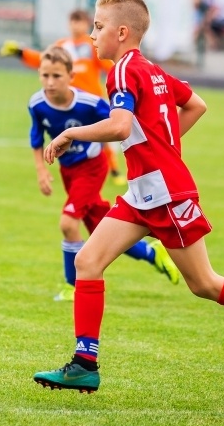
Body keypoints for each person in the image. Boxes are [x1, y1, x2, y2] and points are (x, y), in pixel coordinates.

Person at [32, 0, 224, 393]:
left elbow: (118, 127)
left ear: (121, 32)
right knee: (88, 261)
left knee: (204, 283)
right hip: (143, 192)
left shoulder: (121, 71)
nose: (92, 36)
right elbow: (196, 105)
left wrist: (70, 132)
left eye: (98, 28)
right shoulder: (151, 70)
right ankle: (85, 363)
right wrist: (159, 148)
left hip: (166, 194)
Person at [28, 45, 180, 302]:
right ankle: (153, 254)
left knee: (68, 223)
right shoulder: (37, 104)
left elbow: (119, 122)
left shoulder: (89, 104)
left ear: (71, 76)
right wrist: (41, 171)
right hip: (69, 172)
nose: (50, 82)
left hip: (92, 168)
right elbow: (36, 138)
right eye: (45, 75)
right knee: (102, 229)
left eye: (56, 76)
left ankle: (71, 285)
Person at [1, 9, 126, 186]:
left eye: (80, 21)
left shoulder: (93, 45)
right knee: (72, 135)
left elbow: (108, 65)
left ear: (86, 24)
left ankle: (114, 169)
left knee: (103, 135)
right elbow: (42, 60)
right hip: (69, 101)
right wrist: (21, 52)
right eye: (73, 21)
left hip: (91, 101)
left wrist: (124, 76)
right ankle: (78, 170)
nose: (76, 25)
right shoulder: (61, 45)